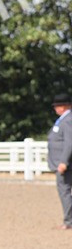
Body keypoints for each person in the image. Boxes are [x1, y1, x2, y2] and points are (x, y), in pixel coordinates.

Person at [47, 92, 72, 230]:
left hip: (65, 164)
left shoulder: (68, 120)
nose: (56, 108)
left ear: (64, 106)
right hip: (63, 162)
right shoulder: (64, 119)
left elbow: (69, 143)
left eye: (58, 106)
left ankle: (69, 221)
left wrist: (63, 161)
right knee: (65, 191)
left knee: (65, 191)